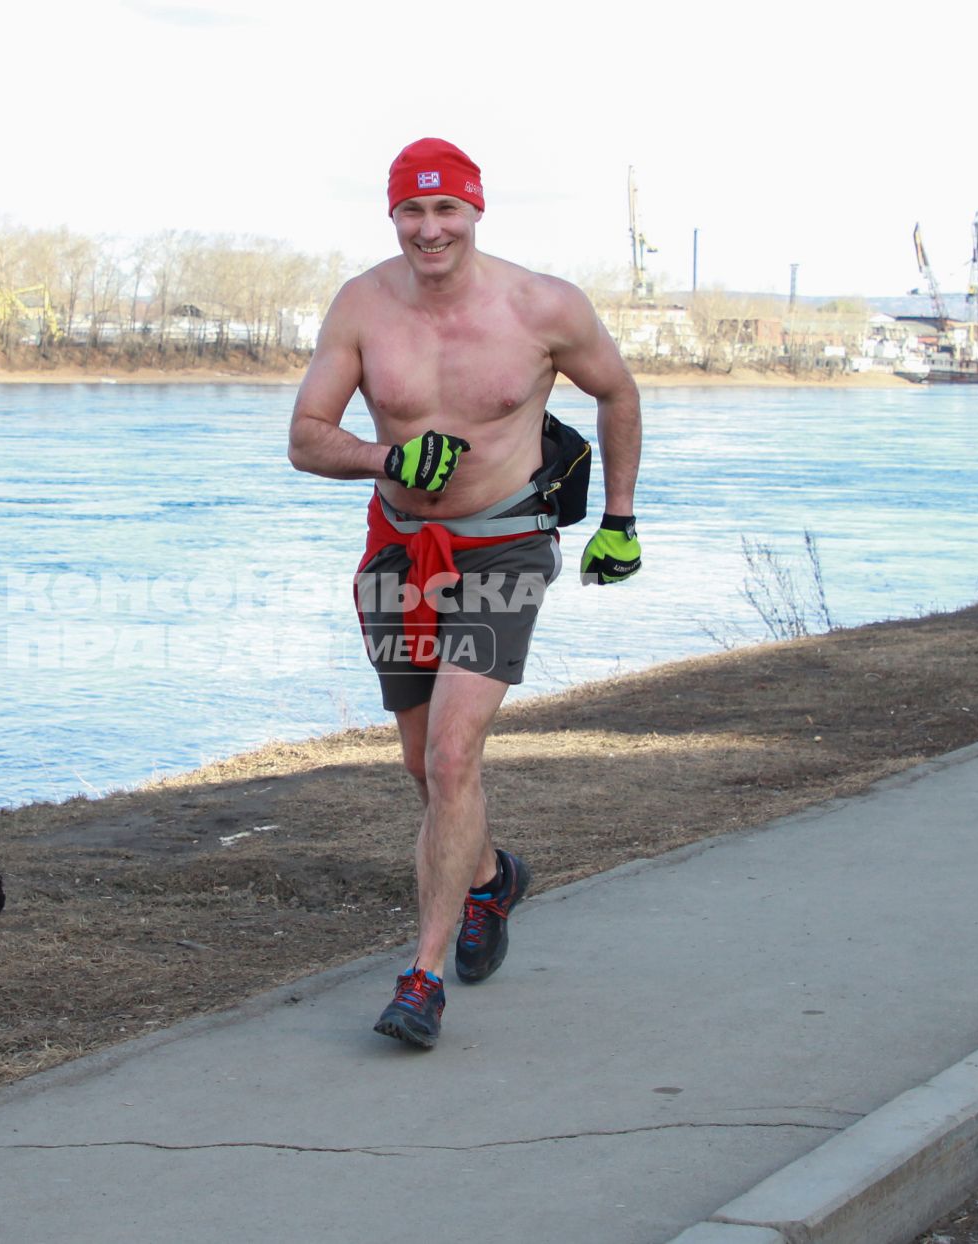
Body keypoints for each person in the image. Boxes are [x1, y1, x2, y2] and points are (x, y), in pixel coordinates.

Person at [286, 137, 644, 1049]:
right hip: (399, 555)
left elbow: (617, 392)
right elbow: (306, 437)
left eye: (447, 210)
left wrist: (621, 517)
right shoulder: (363, 305)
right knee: (423, 768)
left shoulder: (543, 306)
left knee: (451, 761)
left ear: (476, 212)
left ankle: (423, 977)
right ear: (393, 216)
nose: (429, 228)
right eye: (413, 210)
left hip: (504, 550)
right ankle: (491, 878)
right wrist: (386, 456)